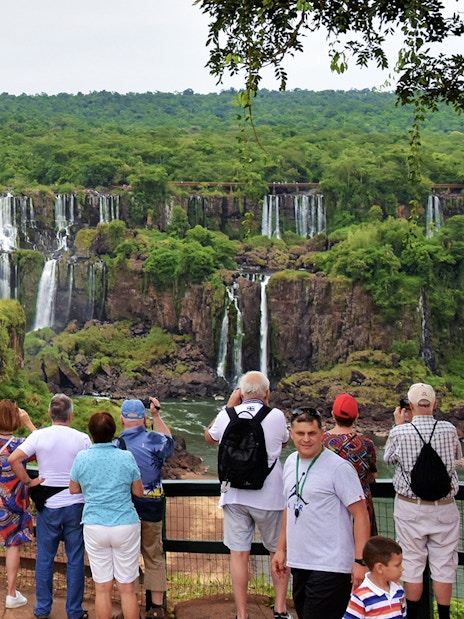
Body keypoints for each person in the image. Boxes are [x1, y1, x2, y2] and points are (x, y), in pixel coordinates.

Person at [205, 371, 293, 619]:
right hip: (271, 496)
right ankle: (280, 609)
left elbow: (209, 438)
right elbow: (284, 442)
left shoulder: (227, 415)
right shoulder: (276, 416)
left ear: (241, 393)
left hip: (234, 496)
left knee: (239, 555)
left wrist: (229, 405)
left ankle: (241, 614)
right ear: (267, 393)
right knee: (278, 552)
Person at [272, 407, 370, 619]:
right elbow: (290, 506)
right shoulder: (290, 462)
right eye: (300, 433)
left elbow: (361, 515)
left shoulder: (339, 468)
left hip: (332, 565)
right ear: (291, 434)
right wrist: (281, 549)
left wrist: (360, 562)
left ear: (322, 434)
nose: (306, 439)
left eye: (312, 433)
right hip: (300, 562)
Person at [8, 393, 91, 619]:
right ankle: (74, 611)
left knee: (45, 557)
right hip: (76, 505)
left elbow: (13, 459)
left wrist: (29, 481)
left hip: (49, 506)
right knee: (75, 558)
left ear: (49, 414)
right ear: (71, 416)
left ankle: (43, 608)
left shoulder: (39, 436)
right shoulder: (82, 438)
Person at [384, 383, 462, 619]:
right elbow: (458, 456)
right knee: (444, 564)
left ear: (409, 406)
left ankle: (415, 615)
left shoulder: (400, 432)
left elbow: (387, 459)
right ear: (435, 404)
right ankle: (445, 616)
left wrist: (399, 426)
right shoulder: (449, 429)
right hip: (444, 507)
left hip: (411, 508)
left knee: (412, 564)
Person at [70, 411, 144, 619]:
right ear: (114, 432)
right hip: (125, 524)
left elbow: (73, 489)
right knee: (127, 588)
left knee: (102, 588)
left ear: (91, 433)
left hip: (94, 524)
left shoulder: (82, 458)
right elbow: (139, 492)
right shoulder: (125, 457)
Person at [118, 397, 176, 619]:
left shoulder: (116, 445)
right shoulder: (155, 440)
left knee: (128, 557)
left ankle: (129, 607)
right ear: (143, 419)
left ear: (122, 419)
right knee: (154, 555)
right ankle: (157, 609)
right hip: (152, 505)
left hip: (127, 507)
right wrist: (157, 415)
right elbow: (170, 442)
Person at [323, 393, 378, 535]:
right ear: (357, 416)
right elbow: (372, 475)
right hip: (360, 506)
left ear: (333, 415)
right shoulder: (366, 444)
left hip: (328, 504)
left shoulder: (320, 442)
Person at [0, 400, 36, 609]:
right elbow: (46, 446)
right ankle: (11, 594)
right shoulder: (21, 445)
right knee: (13, 547)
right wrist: (29, 423)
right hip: (13, 506)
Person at [343, 536, 406, 619]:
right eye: (397, 565)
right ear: (380, 568)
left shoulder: (399, 590)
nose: (402, 569)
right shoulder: (360, 597)